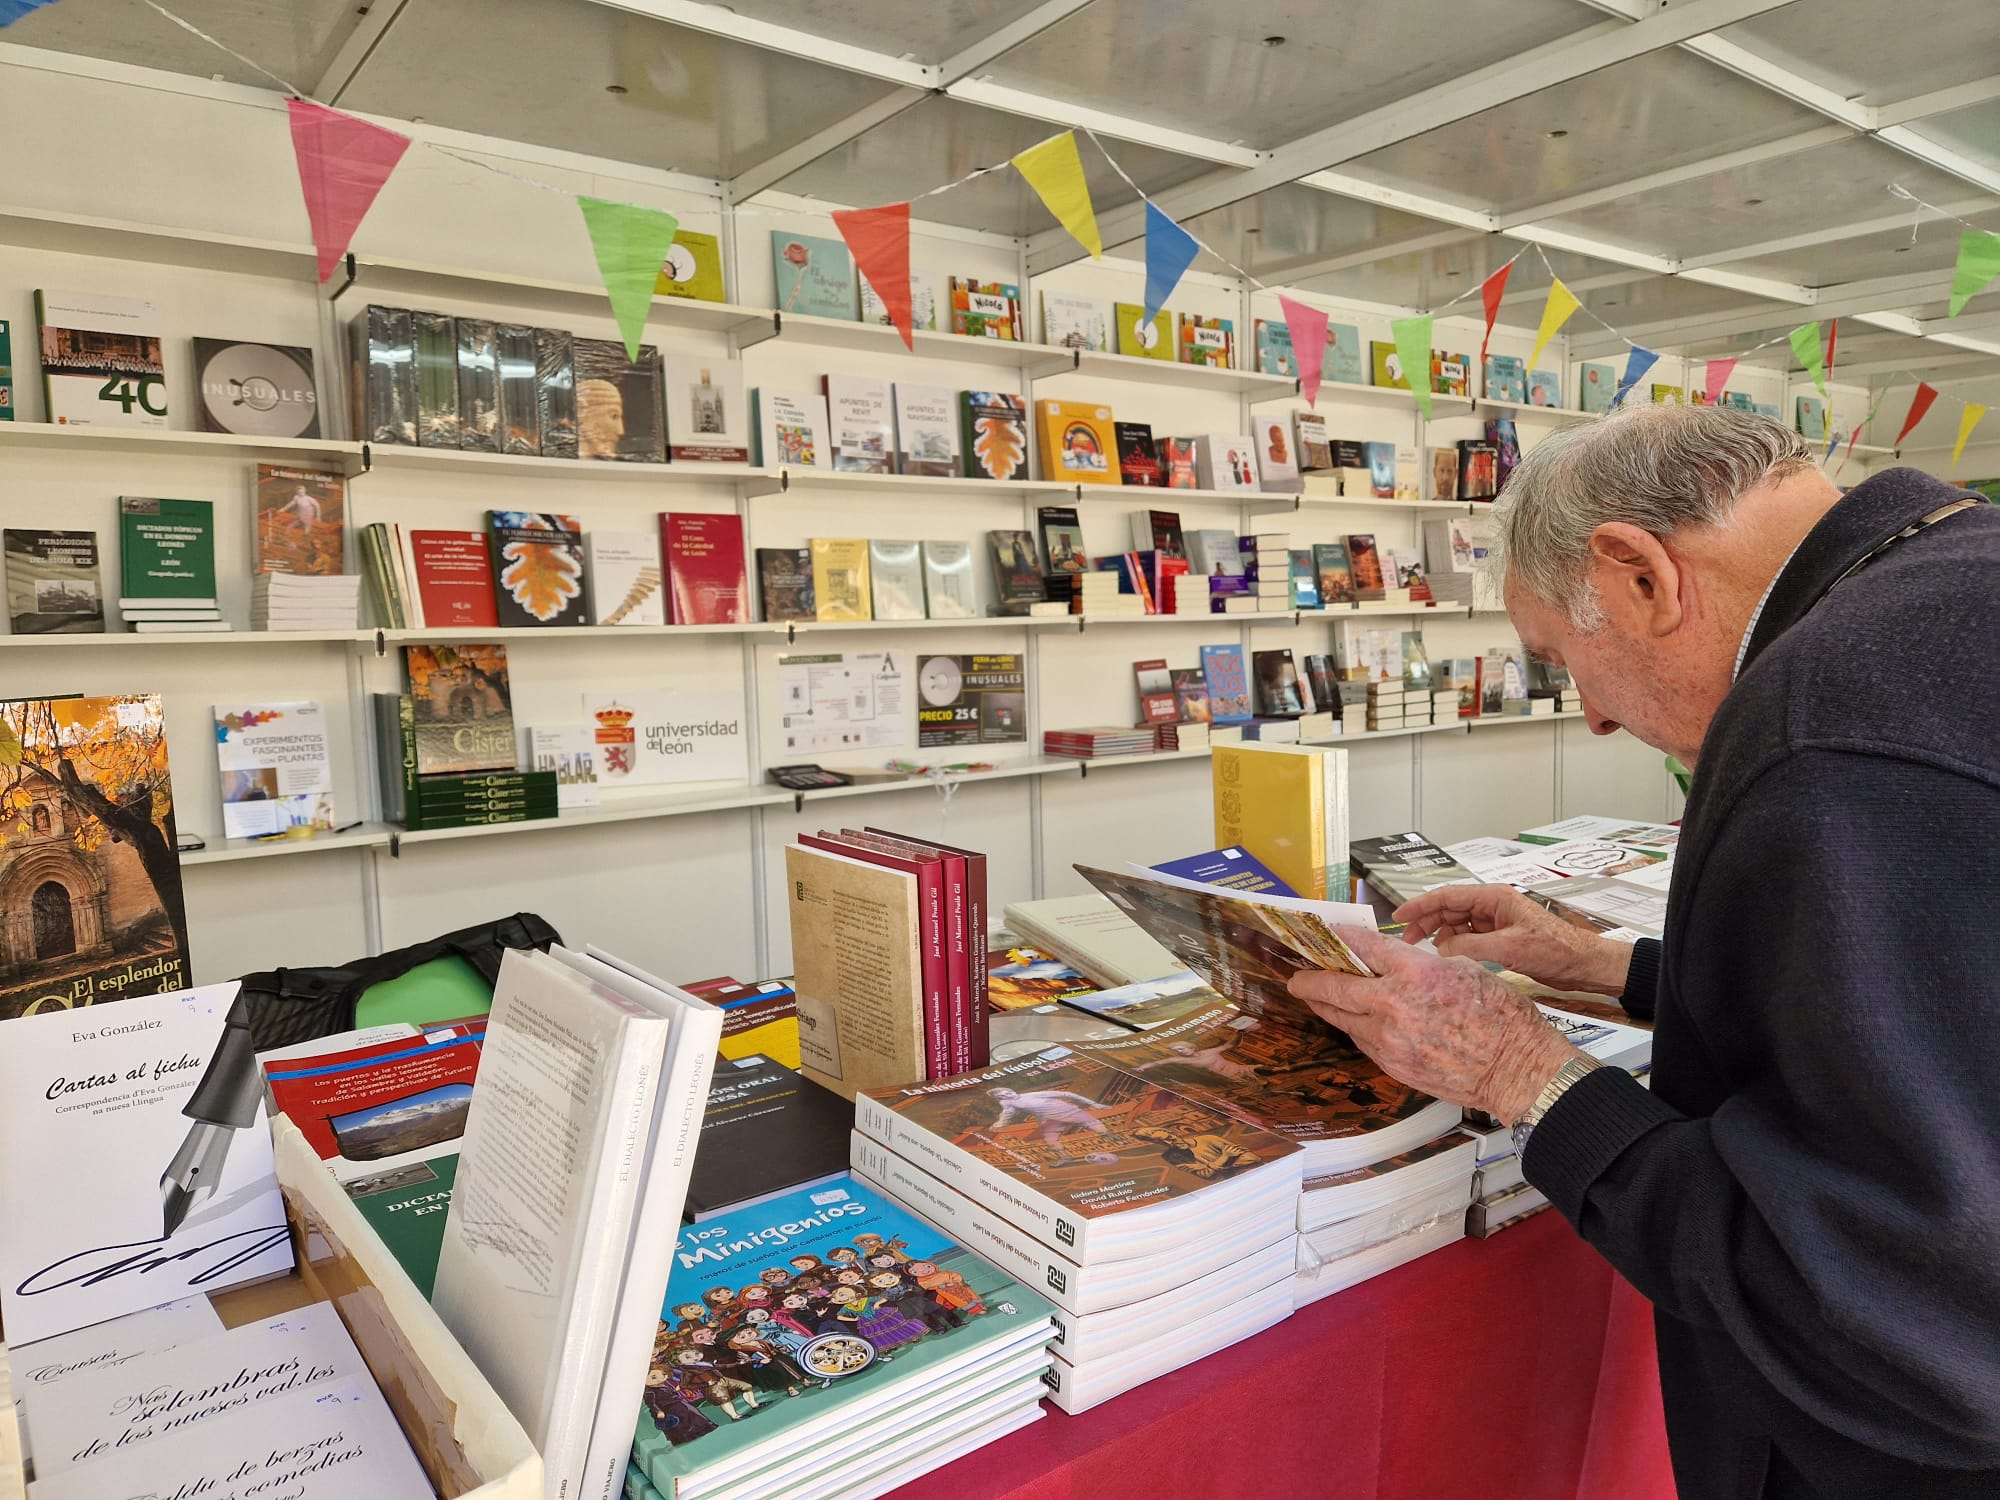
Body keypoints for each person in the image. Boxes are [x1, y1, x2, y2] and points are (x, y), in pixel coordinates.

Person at [1285, 404, 2000, 1500]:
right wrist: (1606, 966)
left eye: (1562, 658)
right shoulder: (1954, 576)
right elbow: (1940, 1015)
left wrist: (1524, 1076)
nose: (1592, 719)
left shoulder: (1827, 719)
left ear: (1636, 576)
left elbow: (1878, 1292)